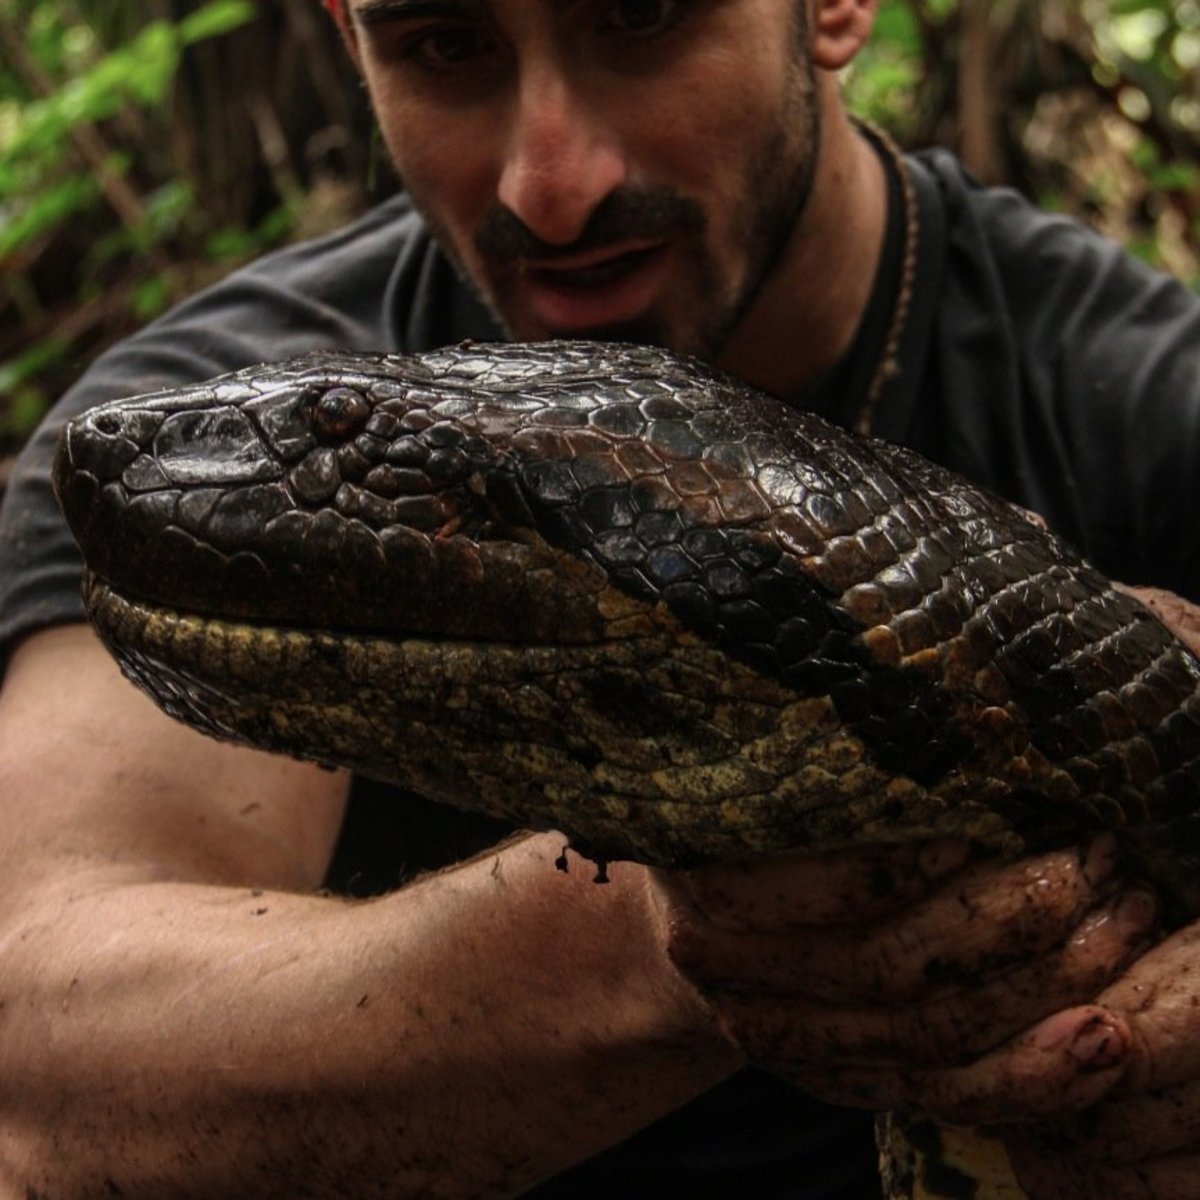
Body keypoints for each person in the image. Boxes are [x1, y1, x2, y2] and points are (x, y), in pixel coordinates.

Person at [0, 1, 1198, 1196]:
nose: (550, 186)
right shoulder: (216, 411)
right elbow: (35, 1060)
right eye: (445, 44)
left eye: (640, 17)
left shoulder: (1147, 399)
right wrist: (665, 931)